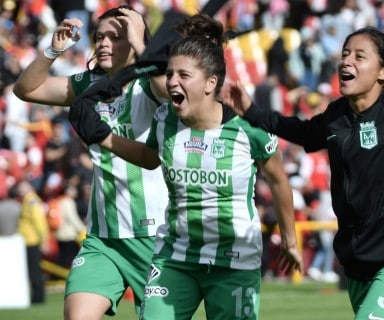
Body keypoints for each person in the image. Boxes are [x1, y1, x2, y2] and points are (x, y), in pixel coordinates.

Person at [222, 26, 384, 319]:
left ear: (383, 72)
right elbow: (305, 132)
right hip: (358, 264)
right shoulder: (336, 116)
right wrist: (252, 112)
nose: (347, 61)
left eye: (360, 56)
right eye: (345, 54)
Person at [69, 13, 303, 320]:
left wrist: (289, 240)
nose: (172, 82)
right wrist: (103, 137)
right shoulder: (165, 118)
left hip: (233, 261)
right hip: (175, 258)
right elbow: (148, 158)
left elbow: (278, 179)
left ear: (211, 83)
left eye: (183, 75)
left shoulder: (250, 126)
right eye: (170, 74)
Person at [13, 6, 169, 319]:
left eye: (116, 37)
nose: (105, 43)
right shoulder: (88, 85)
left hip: (157, 239)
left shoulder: (152, 84)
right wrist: (53, 49)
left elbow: (171, 91)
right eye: (100, 37)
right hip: (103, 239)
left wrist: (141, 46)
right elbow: (26, 89)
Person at [14, 179, 49, 304]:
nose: (20, 189)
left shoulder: (32, 201)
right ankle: (36, 297)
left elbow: (39, 221)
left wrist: (43, 240)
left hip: (32, 240)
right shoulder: (26, 200)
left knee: (35, 271)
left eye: (23, 186)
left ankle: (38, 298)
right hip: (28, 240)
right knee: (32, 270)